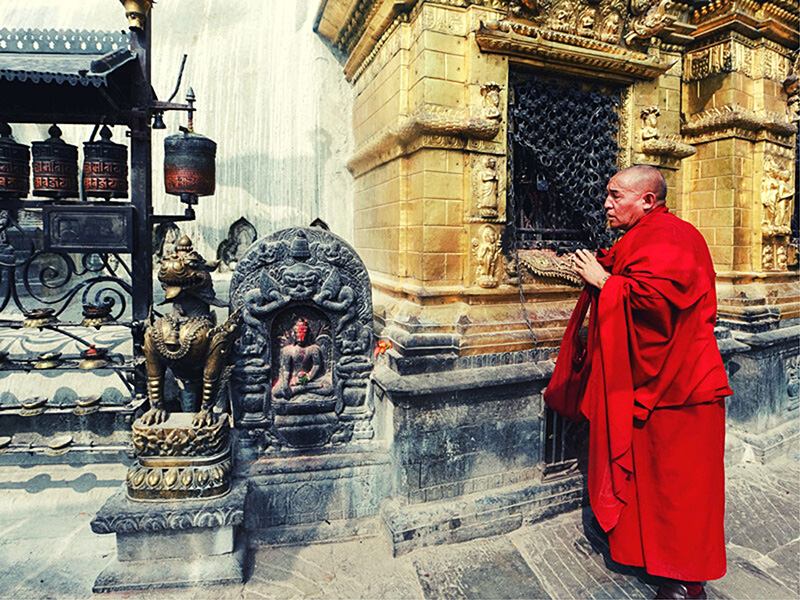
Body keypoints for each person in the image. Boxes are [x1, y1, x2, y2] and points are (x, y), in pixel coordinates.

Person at [552, 165, 732, 600]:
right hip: (658, 383)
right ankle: (661, 565)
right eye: (608, 195)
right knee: (654, 482)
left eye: (616, 196)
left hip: (682, 386)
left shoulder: (670, 236)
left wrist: (604, 283)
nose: (607, 204)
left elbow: (657, 308)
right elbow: (640, 282)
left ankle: (687, 580)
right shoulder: (648, 235)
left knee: (683, 488)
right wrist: (608, 270)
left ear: (648, 200)